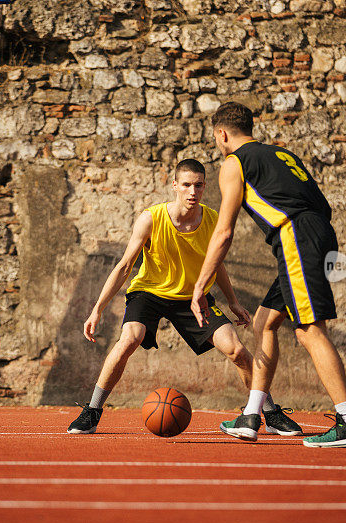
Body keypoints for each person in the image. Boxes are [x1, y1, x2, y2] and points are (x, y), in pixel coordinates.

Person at [68, 158, 303, 437]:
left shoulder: (213, 220)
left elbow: (217, 263)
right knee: (130, 339)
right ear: (175, 186)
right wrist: (97, 309)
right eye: (187, 185)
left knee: (237, 349)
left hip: (193, 298)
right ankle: (92, 412)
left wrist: (233, 301)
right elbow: (124, 266)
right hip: (150, 292)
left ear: (204, 188)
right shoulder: (151, 218)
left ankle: (270, 412)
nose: (193, 191)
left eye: (199, 185)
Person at [190, 102, 346, 447]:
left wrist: (201, 285)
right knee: (264, 323)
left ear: (221, 134)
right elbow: (323, 206)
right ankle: (252, 415)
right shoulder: (282, 155)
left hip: (296, 237)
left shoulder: (233, 163)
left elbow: (224, 232)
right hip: (315, 233)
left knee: (309, 331)